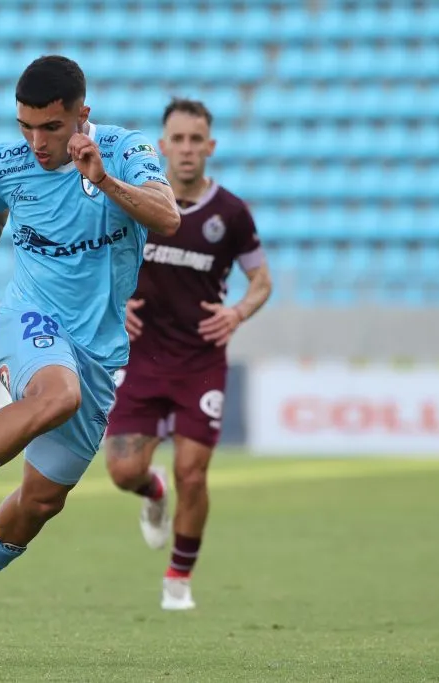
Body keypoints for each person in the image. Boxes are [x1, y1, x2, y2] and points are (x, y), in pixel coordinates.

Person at [0, 56, 180, 658]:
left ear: (83, 115)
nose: (36, 141)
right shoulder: (8, 163)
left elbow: (169, 218)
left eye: (50, 128)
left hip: (99, 349)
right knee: (57, 394)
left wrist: (102, 180)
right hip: (29, 319)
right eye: (25, 126)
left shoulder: (125, 152)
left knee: (43, 501)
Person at [104, 98, 272, 611]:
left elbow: (261, 279)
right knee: (122, 473)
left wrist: (238, 312)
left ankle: (178, 577)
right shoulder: (139, 204)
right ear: (161, 146)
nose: (186, 149)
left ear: (210, 146)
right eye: (177, 139)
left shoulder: (231, 214)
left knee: (193, 474)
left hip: (199, 363)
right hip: (140, 359)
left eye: (196, 139)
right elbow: (98, 263)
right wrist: (116, 304)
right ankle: (152, 494)